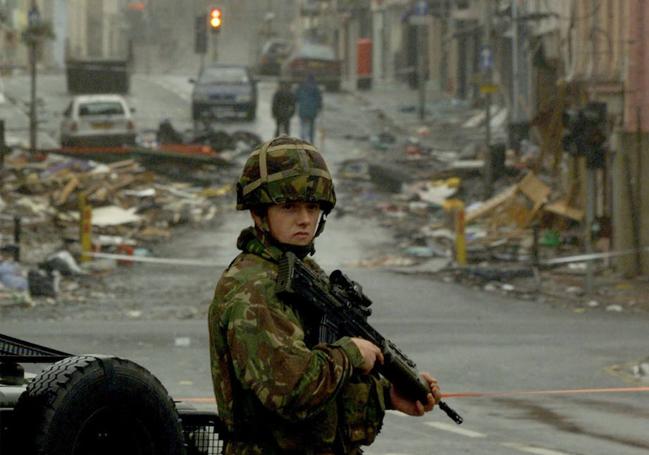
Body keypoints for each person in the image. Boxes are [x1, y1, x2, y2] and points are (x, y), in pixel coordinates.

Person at [208, 136, 442, 454]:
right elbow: (291, 391)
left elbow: (326, 397)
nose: (304, 218)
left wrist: (387, 396)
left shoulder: (300, 272)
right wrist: (350, 354)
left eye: (313, 206)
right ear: (258, 214)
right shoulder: (254, 289)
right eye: (288, 206)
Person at [295, 74, 322, 144]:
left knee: (303, 125)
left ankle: (302, 140)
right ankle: (311, 140)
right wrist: (319, 108)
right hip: (312, 111)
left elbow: (296, 98)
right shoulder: (316, 89)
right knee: (311, 126)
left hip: (303, 110)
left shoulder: (301, 88)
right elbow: (319, 100)